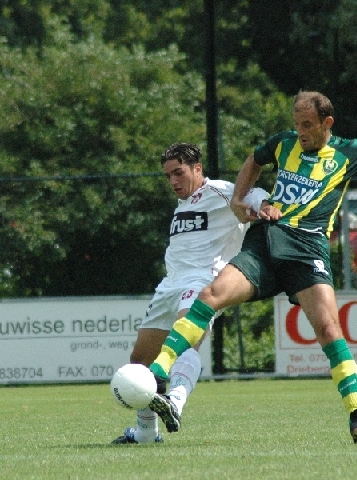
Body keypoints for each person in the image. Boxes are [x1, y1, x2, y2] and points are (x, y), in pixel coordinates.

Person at [146, 91, 357, 444]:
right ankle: (157, 375)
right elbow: (253, 160)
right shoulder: (283, 144)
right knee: (210, 294)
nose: (300, 132)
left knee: (328, 330)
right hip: (266, 240)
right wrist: (237, 200)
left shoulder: (349, 151)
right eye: (296, 124)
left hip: (307, 247)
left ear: (327, 123)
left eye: (307, 125)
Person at [112, 142, 267, 444]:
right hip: (170, 284)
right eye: (168, 175)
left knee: (186, 346)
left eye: (179, 173)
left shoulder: (222, 191)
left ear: (197, 168)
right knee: (139, 360)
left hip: (204, 281)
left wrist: (264, 206)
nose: (173, 181)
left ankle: (176, 402)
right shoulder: (183, 203)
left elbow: (254, 196)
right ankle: (145, 433)